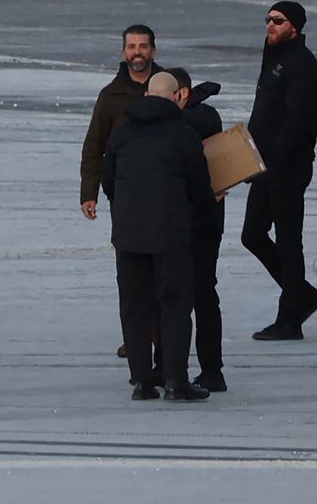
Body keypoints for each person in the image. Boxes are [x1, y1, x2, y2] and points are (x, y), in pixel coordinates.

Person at [101, 72, 216, 402]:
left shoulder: (122, 133)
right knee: (175, 306)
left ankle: (141, 382)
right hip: (171, 234)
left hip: (128, 235)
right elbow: (198, 186)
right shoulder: (183, 135)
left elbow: (108, 182)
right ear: (174, 97)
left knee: (135, 306)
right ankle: (175, 381)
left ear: (147, 96)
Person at [241, 1, 317, 341]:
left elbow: (296, 123)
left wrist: (273, 163)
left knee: (289, 241)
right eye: (268, 20)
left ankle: (290, 318)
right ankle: (301, 294)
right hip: (264, 166)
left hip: (287, 167)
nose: (270, 25)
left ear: (296, 26)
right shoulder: (275, 58)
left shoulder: (304, 66)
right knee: (252, 235)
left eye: (278, 20)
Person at [80, 24, 163, 358]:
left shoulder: (169, 88)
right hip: (126, 199)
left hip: (166, 196)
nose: (137, 52)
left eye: (143, 46)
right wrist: (90, 192)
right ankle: (137, 336)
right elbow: (94, 146)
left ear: (153, 51)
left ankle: (163, 337)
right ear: (123, 52)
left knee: (165, 272)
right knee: (131, 274)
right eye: (131, 47)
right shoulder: (111, 95)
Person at [169, 67, 227, 392]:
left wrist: (196, 100)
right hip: (179, 219)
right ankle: (173, 366)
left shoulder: (202, 117)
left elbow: (189, 128)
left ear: (182, 94)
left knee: (201, 294)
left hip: (203, 220)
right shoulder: (184, 116)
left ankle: (211, 369)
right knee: (181, 295)